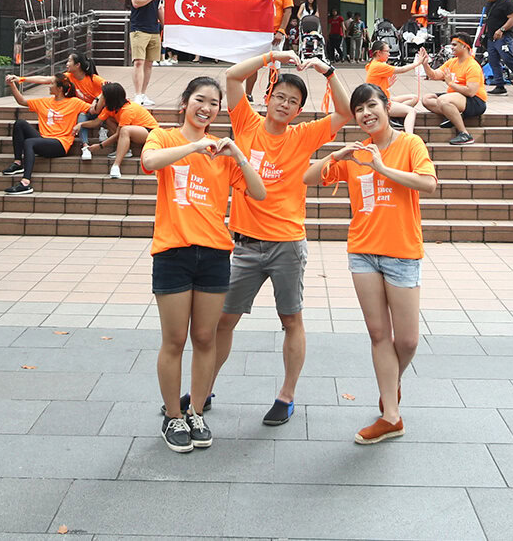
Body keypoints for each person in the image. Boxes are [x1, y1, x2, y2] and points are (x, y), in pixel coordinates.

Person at [196, 50, 349, 428]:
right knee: (223, 323)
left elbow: (345, 112)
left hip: (286, 245)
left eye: (293, 101)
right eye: (279, 96)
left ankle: (286, 395)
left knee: (291, 320)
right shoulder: (246, 123)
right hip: (244, 245)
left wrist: (327, 71)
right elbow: (232, 78)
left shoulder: (304, 135)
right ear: (267, 97)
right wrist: (273, 56)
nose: (284, 104)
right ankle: (203, 390)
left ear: (298, 110)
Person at [304, 83, 436, 444]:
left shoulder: (410, 145)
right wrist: (337, 156)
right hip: (363, 251)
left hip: (403, 251)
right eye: (359, 109)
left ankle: (391, 382)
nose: (365, 114)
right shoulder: (356, 153)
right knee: (379, 334)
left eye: (371, 105)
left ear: (387, 105)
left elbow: (428, 184)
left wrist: (381, 167)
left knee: (407, 341)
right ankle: (391, 416)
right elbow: (306, 177)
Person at [141, 77, 266, 453]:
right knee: (175, 339)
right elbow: (148, 162)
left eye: (214, 103)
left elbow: (259, 192)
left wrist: (238, 156)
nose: (207, 108)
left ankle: (196, 410)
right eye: (200, 100)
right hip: (173, 252)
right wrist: (193, 145)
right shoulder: (164, 137)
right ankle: (173, 416)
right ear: (185, 102)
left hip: (214, 254)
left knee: (206, 338)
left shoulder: (221, 152)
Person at [2, 73, 89, 194]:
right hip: (43, 141)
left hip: (60, 144)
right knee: (20, 123)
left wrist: (99, 100)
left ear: (59, 89)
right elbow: (21, 101)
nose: (49, 86)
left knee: (29, 142)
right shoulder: (44, 101)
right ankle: (17, 163)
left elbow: (94, 110)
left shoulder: (75, 102)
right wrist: (12, 84)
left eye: (52, 83)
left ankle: (25, 183)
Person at [20, 54, 106, 160]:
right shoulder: (68, 77)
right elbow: (45, 79)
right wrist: (22, 79)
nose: (66, 64)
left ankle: (104, 127)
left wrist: (97, 99)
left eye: (69, 61)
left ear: (78, 65)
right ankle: (85, 146)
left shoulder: (94, 79)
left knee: (87, 114)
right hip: (83, 110)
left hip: (96, 110)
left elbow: (108, 87)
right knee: (81, 115)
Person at [80, 82, 160, 179]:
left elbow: (119, 133)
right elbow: (96, 122)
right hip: (134, 130)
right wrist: (80, 124)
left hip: (150, 132)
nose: (101, 98)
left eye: (103, 96)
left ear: (110, 98)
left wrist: (100, 146)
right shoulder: (110, 108)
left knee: (125, 130)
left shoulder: (127, 110)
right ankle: (125, 149)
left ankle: (116, 165)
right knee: (109, 120)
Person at [419, 32, 486, 145]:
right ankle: (453, 114)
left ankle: (465, 134)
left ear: (465, 46)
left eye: (454, 45)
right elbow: (434, 75)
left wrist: (451, 84)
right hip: (455, 96)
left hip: (475, 101)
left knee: (443, 100)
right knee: (426, 99)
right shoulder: (452, 62)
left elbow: (471, 92)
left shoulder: (472, 66)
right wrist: (425, 65)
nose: (451, 47)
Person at [251, 0, 294, 100]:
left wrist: (281, 31)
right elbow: (250, 10)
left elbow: (288, 12)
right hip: (259, 34)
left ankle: (270, 93)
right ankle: (248, 94)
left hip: (275, 34)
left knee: (274, 65)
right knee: (252, 65)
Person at [128, 0, 167, 107]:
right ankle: (137, 95)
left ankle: (143, 94)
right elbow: (136, 2)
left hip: (154, 29)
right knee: (139, 62)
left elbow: (159, 9)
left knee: (149, 63)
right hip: (139, 28)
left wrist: (165, 26)